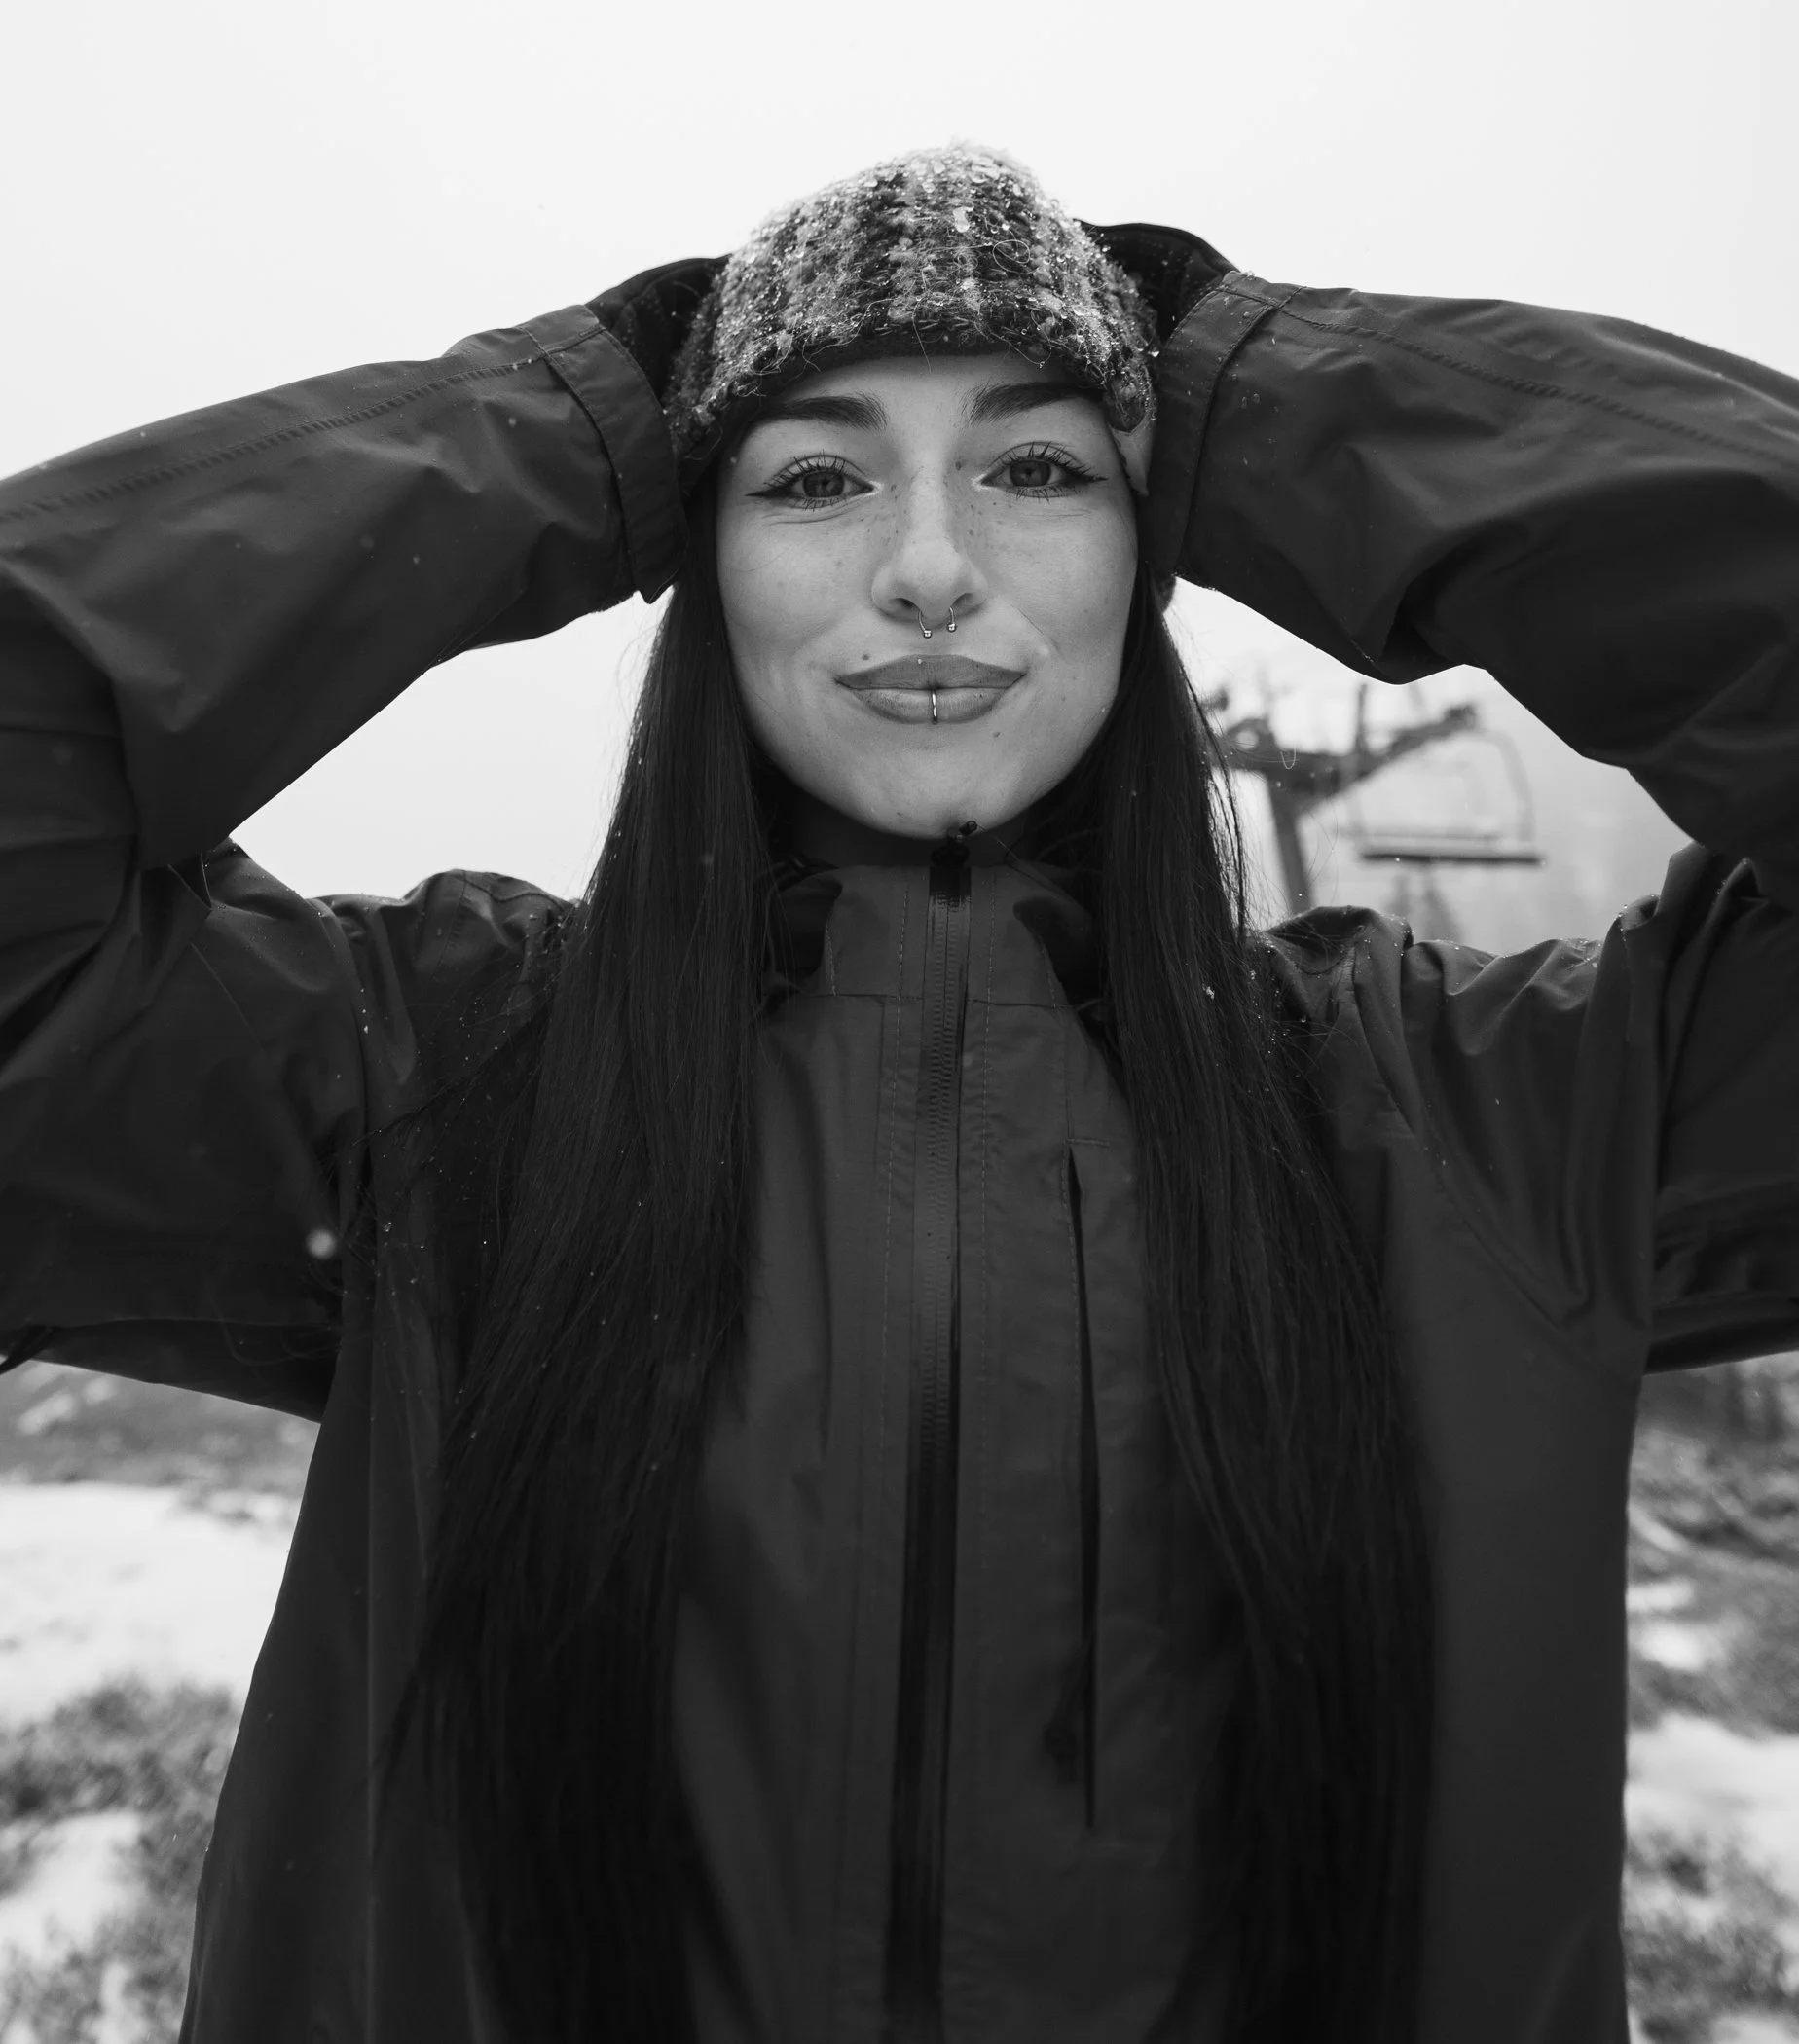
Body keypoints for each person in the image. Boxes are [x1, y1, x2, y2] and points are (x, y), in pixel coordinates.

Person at [0, 143, 1794, 2044]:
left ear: (1157, 534)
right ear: (695, 558)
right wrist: (571, 431)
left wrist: (1270, 404)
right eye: (814, 478)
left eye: (1040, 470)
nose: (931, 569)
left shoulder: (1479, 1119)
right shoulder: (429, 1082)